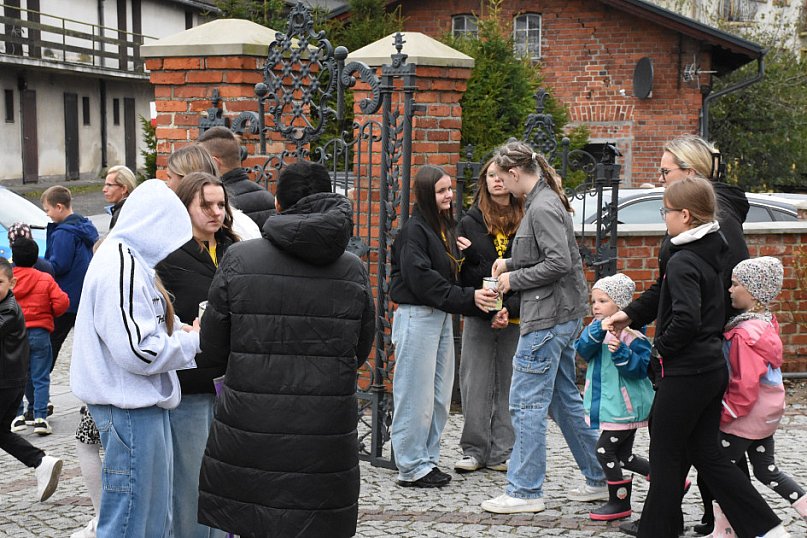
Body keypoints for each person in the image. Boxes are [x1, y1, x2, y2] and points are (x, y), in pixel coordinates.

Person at [197, 161, 375, 537]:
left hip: (252, 422)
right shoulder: (352, 269)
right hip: (324, 426)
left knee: (254, 522)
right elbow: (359, 349)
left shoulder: (240, 259)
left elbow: (212, 348)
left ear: (277, 203)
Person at [603, 176, 786, 538]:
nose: (664, 218)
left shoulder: (684, 259)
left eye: (666, 212)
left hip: (687, 372)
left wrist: (659, 348)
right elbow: (667, 296)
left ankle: (658, 531)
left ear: (685, 215)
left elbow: (686, 319)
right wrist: (632, 315)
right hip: (710, 368)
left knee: (666, 456)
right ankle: (767, 528)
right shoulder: (711, 250)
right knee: (707, 454)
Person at [614, 134, 751, 535]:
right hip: (694, 349)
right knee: (693, 444)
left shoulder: (716, 221)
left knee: (696, 444)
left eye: (665, 171)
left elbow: (724, 289)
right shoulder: (686, 223)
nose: (659, 178)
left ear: (690, 173)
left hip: (697, 353)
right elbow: (666, 286)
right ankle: (693, 519)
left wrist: (666, 345)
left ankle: (723, 518)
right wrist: (632, 314)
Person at [70, 179, 201, 537]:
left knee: (150, 516)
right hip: (129, 407)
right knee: (131, 517)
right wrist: (193, 342)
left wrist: (179, 333)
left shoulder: (126, 260)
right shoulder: (121, 264)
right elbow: (138, 351)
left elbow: (140, 331)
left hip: (136, 405)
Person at [480, 141, 606, 514]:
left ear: (515, 173)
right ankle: (602, 477)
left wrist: (513, 279)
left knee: (526, 403)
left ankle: (525, 490)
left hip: (547, 318)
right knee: (563, 401)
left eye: (502, 177)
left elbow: (559, 262)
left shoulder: (543, 206)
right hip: (557, 315)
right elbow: (546, 253)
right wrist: (509, 262)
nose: (501, 185)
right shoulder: (543, 201)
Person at [389, 165, 498, 489]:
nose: (449, 195)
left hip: (439, 317)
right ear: (427, 194)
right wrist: (468, 298)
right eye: (441, 191)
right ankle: (411, 466)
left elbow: (450, 277)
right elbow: (423, 281)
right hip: (417, 316)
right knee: (415, 394)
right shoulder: (413, 232)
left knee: (437, 396)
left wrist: (471, 268)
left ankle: (427, 460)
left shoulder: (443, 228)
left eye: (450, 189)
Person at [156, 171, 237, 538]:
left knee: (226, 477)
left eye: (221, 204)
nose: (216, 212)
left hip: (231, 381)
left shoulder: (235, 250)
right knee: (191, 481)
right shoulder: (168, 256)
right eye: (206, 205)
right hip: (190, 382)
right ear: (184, 207)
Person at [700, 257, 807, 536]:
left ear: (754, 292)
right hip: (766, 414)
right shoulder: (766, 323)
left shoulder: (742, 334)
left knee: (721, 474)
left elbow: (745, 383)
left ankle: (726, 531)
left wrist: (726, 412)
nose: (729, 289)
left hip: (743, 417)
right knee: (767, 471)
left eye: (736, 284)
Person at [454, 158, 523, 473]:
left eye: (502, 175)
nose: (497, 180)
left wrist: (510, 308)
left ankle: (502, 451)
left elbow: (532, 269)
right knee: (475, 381)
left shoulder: (526, 218)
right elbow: (463, 274)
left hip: (516, 313)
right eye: (491, 175)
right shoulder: (469, 222)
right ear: (484, 180)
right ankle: (474, 449)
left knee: (509, 381)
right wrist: (489, 308)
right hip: (480, 312)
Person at [575, 273, 653, 521]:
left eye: (603, 301)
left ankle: (619, 502)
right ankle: (668, 480)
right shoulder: (596, 331)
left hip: (624, 408)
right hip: (610, 406)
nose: (596, 306)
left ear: (620, 305)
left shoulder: (633, 336)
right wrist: (597, 329)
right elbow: (583, 350)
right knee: (624, 457)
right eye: (594, 301)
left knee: (604, 451)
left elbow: (640, 369)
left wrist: (621, 353)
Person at [0, 257, 64, 503]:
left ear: (12, 283)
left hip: (6, 383)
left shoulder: (8, 309)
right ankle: (40, 462)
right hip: (10, 381)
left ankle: (40, 460)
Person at [8, 238, 69, 436]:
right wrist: (50, 313)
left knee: (17, 375)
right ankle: (40, 417)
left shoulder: (8, 280)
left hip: (14, 334)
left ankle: (17, 416)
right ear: (36, 258)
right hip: (40, 333)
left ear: (13, 258)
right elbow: (62, 302)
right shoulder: (45, 278)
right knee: (40, 376)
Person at [40, 185, 99, 374]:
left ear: (59, 207)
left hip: (66, 297)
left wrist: (39, 264)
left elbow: (58, 265)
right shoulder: (83, 226)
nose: (47, 214)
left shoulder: (63, 233)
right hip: (82, 295)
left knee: (51, 343)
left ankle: (38, 383)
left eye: (48, 209)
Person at [167, 144, 261, 240]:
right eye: (206, 205)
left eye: (170, 177)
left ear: (185, 180)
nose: (167, 184)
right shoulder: (244, 224)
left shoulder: (240, 228)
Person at [198, 126, 276, 229]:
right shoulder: (267, 197)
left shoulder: (220, 202)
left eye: (200, 161)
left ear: (214, 163)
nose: (198, 167)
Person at [103, 165, 137, 229]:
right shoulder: (135, 208)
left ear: (124, 189)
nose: (104, 190)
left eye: (109, 185)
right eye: (105, 185)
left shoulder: (121, 214)